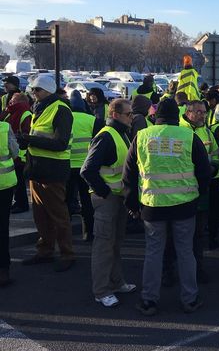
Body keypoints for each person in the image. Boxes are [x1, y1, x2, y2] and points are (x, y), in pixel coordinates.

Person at [123, 98, 211, 316]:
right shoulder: (189, 136)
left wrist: (132, 203)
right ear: (177, 115)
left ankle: (149, 300)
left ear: (155, 116)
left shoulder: (142, 136)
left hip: (152, 206)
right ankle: (189, 299)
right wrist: (199, 195)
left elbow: (129, 174)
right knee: (185, 252)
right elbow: (204, 171)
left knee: (153, 253)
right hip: (184, 205)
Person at [80, 99, 136, 308]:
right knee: (104, 245)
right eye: (128, 114)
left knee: (115, 243)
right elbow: (87, 170)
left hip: (117, 196)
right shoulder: (106, 136)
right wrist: (104, 192)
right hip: (107, 199)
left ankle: (116, 281)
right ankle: (101, 290)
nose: (131, 117)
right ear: (115, 114)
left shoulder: (120, 133)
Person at [20, 75, 75, 271]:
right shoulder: (40, 107)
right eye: (32, 90)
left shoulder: (60, 109)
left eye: (37, 90)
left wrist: (29, 140)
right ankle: (45, 250)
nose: (33, 93)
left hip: (53, 170)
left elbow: (60, 143)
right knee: (41, 215)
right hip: (38, 169)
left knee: (58, 215)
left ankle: (67, 254)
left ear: (48, 90)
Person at [176, 100, 219, 281]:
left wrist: (213, 169)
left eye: (204, 112)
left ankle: (197, 270)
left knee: (198, 234)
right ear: (188, 112)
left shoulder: (207, 131)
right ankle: (171, 271)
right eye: (199, 112)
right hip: (180, 191)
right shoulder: (179, 130)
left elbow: (216, 154)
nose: (203, 115)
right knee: (176, 236)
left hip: (201, 189)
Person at [67, 90, 103, 241]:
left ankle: (65, 236)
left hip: (67, 165)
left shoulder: (65, 118)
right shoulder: (92, 120)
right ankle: (88, 233)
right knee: (86, 201)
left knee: (67, 200)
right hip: (86, 167)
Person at [3, 93, 31, 214]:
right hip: (14, 153)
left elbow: (27, 134)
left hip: (21, 153)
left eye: (13, 101)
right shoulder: (11, 112)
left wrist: (16, 138)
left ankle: (22, 204)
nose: (10, 103)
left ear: (19, 101)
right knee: (17, 182)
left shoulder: (26, 114)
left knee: (20, 182)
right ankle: (19, 202)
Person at [0, 117, 19, 286]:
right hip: (4, 184)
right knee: (2, 228)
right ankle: (3, 270)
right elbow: (15, 152)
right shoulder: (5, 127)